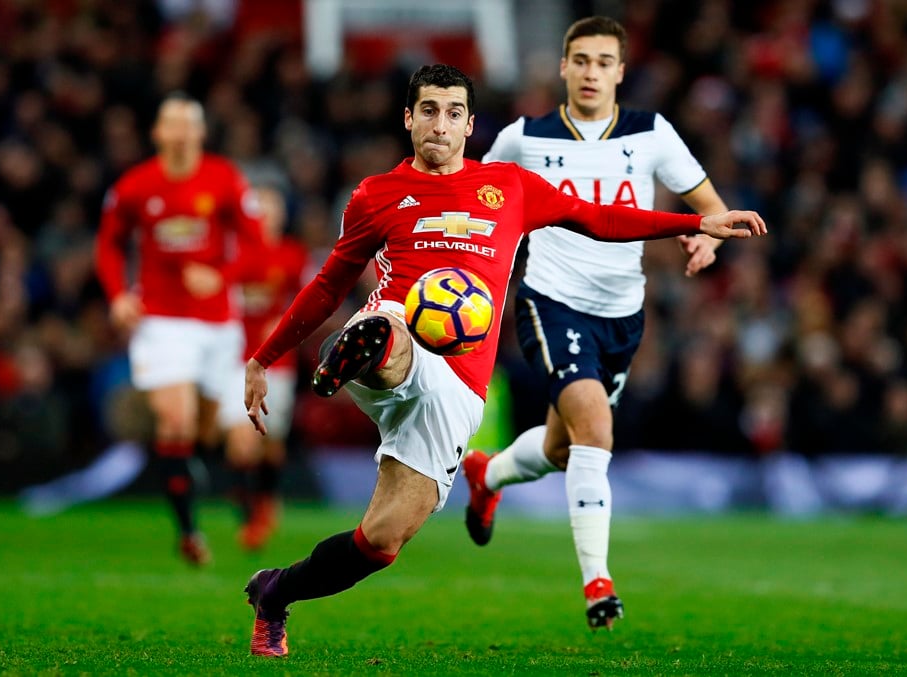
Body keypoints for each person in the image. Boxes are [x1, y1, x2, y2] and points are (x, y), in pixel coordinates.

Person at [241, 63, 765, 658]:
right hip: (396, 330)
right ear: (409, 119)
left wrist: (696, 220)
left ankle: (274, 593)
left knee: (381, 542)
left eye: (454, 112)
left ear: (469, 126)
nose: (441, 123)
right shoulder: (375, 194)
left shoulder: (509, 187)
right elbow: (331, 282)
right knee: (389, 328)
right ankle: (363, 355)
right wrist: (264, 358)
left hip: (459, 384)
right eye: (429, 110)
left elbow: (600, 219)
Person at [462, 16, 736, 630]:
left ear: (619, 70)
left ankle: (490, 471)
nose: (590, 72)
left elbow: (709, 208)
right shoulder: (522, 138)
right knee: (596, 429)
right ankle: (598, 584)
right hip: (549, 299)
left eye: (603, 62)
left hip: (622, 314)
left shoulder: (651, 134)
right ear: (563, 67)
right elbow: (470, 198)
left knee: (565, 447)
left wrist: (708, 243)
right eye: (580, 60)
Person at [95, 93, 265, 565]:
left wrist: (222, 276)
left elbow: (256, 245)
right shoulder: (134, 186)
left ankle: (187, 467)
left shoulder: (224, 179)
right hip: (161, 321)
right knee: (175, 419)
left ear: (200, 132)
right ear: (158, 134)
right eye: (171, 124)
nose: (180, 132)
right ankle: (190, 532)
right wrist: (118, 296)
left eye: (189, 124)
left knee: (207, 430)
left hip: (217, 323)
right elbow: (108, 244)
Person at [218, 184, 309, 550]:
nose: (264, 217)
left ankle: (266, 501)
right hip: (232, 359)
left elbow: (308, 303)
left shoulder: (292, 255)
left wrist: (286, 323)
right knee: (240, 443)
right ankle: (250, 516)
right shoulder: (231, 253)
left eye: (271, 210)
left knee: (270, 444)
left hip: (276, 363)